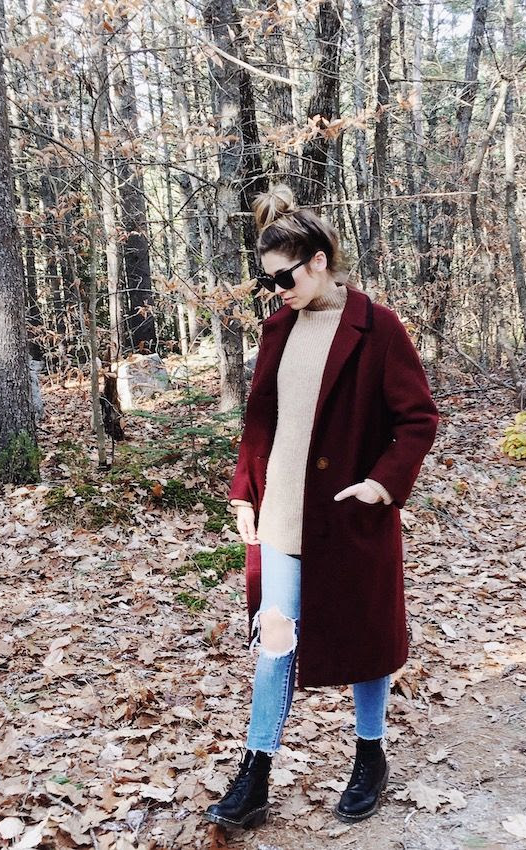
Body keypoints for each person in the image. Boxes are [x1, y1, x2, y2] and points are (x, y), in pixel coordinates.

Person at [204, 184, 439, 830]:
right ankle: (256, 773)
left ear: (318, 262)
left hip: (349, 514)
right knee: (275, 642)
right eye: (267, 280)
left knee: (366, 638)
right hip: (281, 514)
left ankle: (370, 756)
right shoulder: (277, 328)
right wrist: (244, 491)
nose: (276, 289)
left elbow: (418, 418)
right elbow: (261, 421)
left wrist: (382, 485)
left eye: (285, 277)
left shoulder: (378, 327)